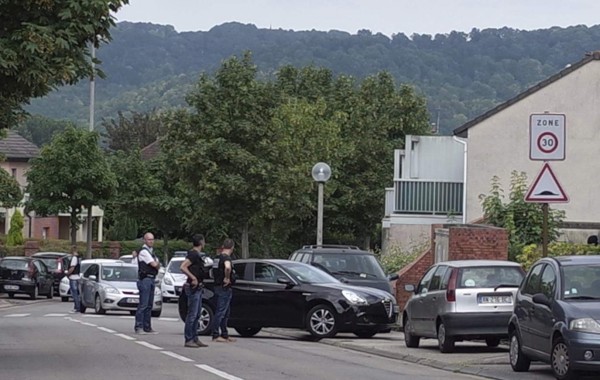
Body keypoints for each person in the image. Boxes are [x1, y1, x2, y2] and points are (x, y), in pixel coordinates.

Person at [180, 234, 209, 348]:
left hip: (198, 288)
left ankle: (195, 337)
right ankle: (189, 339)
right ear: (201, 242)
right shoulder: (193, 255)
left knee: (197, 314)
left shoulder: (197, 255)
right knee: (192, 314)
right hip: (193, 288)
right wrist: (193, 278)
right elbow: (183, 267)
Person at [134, 232, 160, 335]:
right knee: (143, 305)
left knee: (149, 305)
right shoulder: (144, 252)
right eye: (149, 239)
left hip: (151, 279)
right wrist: (156, 264)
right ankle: (139, 326)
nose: (151, 241)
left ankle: (147, 327)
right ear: (145, 240)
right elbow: (154, 264)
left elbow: (157, 264)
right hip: (145, 280)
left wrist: (156, 264)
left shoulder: (151, 252)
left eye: (152, 239)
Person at [212, 238, 236, 343]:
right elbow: (227, 267)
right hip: (224, 287)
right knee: (221, 311)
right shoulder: (227, 258)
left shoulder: (217, 258)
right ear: (232, 247)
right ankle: (216, 334)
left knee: (225, 312)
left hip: (217, 285)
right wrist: (227, 277)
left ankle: (224, 334)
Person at [66, 245, 82, 314]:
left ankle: (77, 308)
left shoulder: (74, 258)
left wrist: (68, 274)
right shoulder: (79, 258)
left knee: (74, 293)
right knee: (78, 293)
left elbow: (72, 267)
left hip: (73, 277)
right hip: (78, 277)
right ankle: (78, 307)